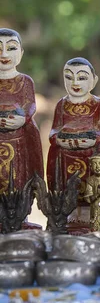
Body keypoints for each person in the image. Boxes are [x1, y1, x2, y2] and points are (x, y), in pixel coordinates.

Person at [47, 58, 100, 195]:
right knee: (55, 152)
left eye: (82, 78)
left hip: (90, 146)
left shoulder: (99, 104)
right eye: (69, 77)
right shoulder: (62, 104)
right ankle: (62, 196)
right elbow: (55, 128)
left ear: (93, 81)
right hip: (66, 147)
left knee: (97, 155)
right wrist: (56, 139)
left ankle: (94, 197)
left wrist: (95, 139)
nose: (75, 83)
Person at [0, 28, 43, 194]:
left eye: (11, 48)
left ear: (21, 53)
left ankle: (20, 213)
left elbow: (30, 105)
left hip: (18, 139)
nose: (4, 54)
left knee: (17, 178)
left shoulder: (25, 81)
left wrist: (23, 118)